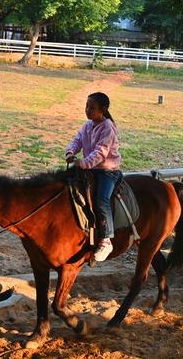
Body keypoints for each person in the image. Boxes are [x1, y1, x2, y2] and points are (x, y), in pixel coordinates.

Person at [65, 92, 121, 262]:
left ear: (103, 110)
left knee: (102, 199)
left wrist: (83, 163)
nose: (88, 110)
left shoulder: (108, 127)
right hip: (89, 168)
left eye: (92, 108)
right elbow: (78, 140)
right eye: (87, 107)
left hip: (106, 171)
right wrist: (70, 151)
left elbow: (101, 152)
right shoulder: (87, 125)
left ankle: (106, 240)